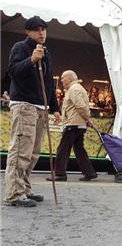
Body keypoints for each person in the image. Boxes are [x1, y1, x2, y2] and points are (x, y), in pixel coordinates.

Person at [4, 16, 62, 207]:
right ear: (28, 32)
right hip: (24, 105)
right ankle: (13, 193)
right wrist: (31, 60)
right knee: (21, 150)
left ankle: (25, 189)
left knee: (33, 152)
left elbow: (48, 84)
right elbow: (13, 71)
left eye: (44, 29)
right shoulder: (20, 47)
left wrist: (55, 108)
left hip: (40, 107)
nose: (42, 33)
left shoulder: (47, 53)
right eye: (37, 29)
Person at [47, 70, 97, 182]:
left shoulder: (74, 89)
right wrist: (86, 120)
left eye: (63, 77)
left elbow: (80, 106)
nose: (61, 80)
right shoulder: (76, 88)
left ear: (69, 78)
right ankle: (89, 173)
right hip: (78, 124)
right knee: (79, 149)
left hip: (73, 124)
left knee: (63, 149)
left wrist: (88, 118)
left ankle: (60, 174)